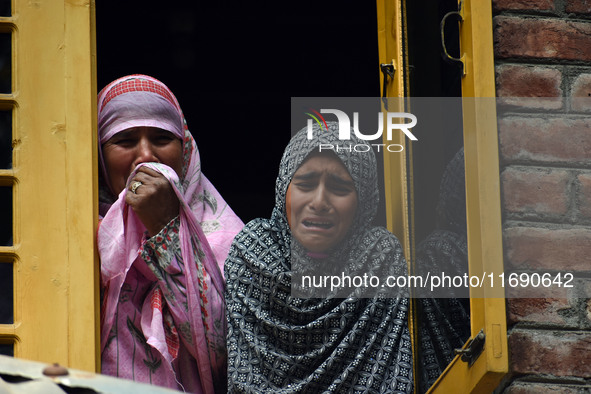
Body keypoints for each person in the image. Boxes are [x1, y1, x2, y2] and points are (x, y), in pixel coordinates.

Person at [225, 122, 413, 393]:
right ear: (283, 190)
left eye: (339, 188)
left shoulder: (378, 259)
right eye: (305, 183)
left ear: (363, 202)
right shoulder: (253, 255)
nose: (319, 201)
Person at [97, 74, 243, 393]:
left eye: (162, 139)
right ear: (99, 155)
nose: (146, 155)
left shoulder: (232, 239)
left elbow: (230, 352)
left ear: (185, 148)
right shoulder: (75, 231)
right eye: (125, 141)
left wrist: (165, 228)